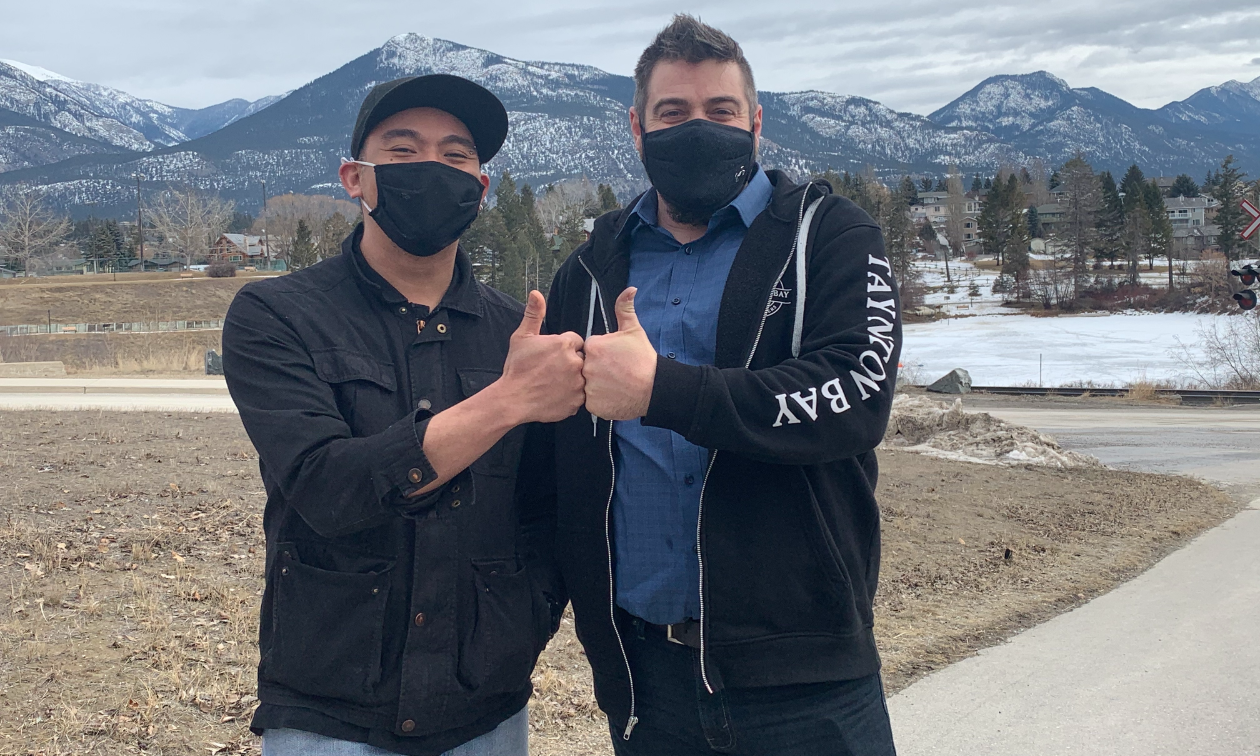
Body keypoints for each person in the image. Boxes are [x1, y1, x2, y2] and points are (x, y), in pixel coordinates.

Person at [544, 16, 902, 755]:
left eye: (721, 112)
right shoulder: (586, 270)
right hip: (646, 677)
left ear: (756, 125)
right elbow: (555, 459)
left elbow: (856, 396)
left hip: (805, 677)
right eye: (673, 114)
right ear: (638, 129)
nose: (698, 129)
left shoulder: (827, 235)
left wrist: (662, 392)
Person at [222, 74, 583, 756]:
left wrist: (524, 615)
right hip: (329, 711)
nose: (430, 168)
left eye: (455, 156)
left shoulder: (519, 333)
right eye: (404, 149)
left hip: (487, 709)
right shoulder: (276, 316)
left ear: (480, 190)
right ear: (355, 178)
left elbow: (546, 513)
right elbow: (325, 486)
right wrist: (504, 401)